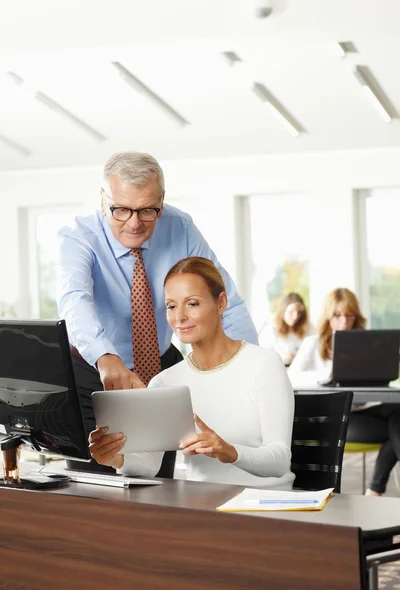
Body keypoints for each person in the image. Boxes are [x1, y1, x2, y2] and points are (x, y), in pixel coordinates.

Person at [57, 152, 258, 473]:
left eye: (148, 210)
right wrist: (105, 357)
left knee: (156, 481)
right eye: (120, 209)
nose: (134, 223)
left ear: (161, 202)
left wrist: (251, 366)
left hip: (160, 365)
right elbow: (74, 301)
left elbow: (225, 301)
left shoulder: (180, 227)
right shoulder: (79, 236)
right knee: (93, 482)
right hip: (93, 369)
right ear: (102, 199)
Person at [89, 257, 294, 489]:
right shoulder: (165, 382)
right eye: (171, 306)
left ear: (221, 303)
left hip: (266, 505)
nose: (180, 317)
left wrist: (230, 451)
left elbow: (279, 460)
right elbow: (150, 464)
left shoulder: (264, 364)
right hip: (203, 508)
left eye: (193, 303)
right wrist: (115, 457)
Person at [288, 287, 400, 496]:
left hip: (364, 410)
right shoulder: (313, 343)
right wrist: (328, 372)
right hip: (337, 418)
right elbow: (292, 377)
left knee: (399, 411)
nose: (344, 322)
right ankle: (374, 490)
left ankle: (374, 492)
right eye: (338, 315)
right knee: (397, 430)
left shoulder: (366, 344)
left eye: (349, 316)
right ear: (328, 317)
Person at [258, 292, 311, 366]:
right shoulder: (269, 331)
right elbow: (262, 360)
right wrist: (281, 359)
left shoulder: (304, 328)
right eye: (291, 312)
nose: (296, 316)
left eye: (299, 312)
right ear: (283, 311)